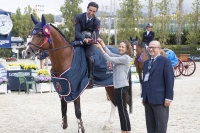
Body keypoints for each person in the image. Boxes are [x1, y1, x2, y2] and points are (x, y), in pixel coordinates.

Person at [95, 40, 133, 133]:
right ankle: (125, 129)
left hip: (121, 87)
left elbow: (110, 59)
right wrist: (103, 46)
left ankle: (126, 130)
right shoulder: (121, 57)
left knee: (122, 111)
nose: (120, 48)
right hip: (118, 87)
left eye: (122, 47)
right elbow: (111, 54)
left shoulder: (126, 58)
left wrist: (101, 49)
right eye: (119, 46)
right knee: (121, 110)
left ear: (127, 49)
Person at [141, 40, 174, 133]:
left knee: (160, 127)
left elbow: (169, 80)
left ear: (159, 49)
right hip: (147, 100)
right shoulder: (146, 62)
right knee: (150, 127)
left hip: (160, 100)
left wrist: (168, 98)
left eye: (153, 47)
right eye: (149, 47)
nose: (151, 49)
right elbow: (144, 81)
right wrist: (143, 96)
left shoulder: (165, 62)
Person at [72, 2, 101, 87]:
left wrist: (90, 40)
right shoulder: (79, 17)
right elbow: (77, 32)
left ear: (96, 12)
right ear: (87, 9)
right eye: (90, 10)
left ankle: (91, 78)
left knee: (89, 56)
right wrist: (84, 39)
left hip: (90, 43)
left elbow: (96, 34)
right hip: (79, 40)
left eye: (94, 11)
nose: (91, 13)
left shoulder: (97, 21)